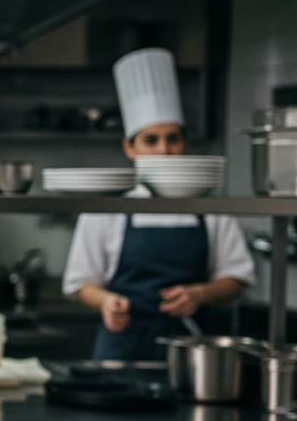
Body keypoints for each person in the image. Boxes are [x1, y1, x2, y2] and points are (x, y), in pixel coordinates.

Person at [63, 48, 254, 360]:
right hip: (121, 349)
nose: (165, 151)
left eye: (173, 138)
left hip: (193, 354)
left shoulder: (211, 210)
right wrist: (107, 302)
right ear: (129, 147)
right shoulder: (107, 209)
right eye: (151, 140)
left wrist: (200, 293)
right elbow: (80, 283)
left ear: (185, 144)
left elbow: (237, 278)